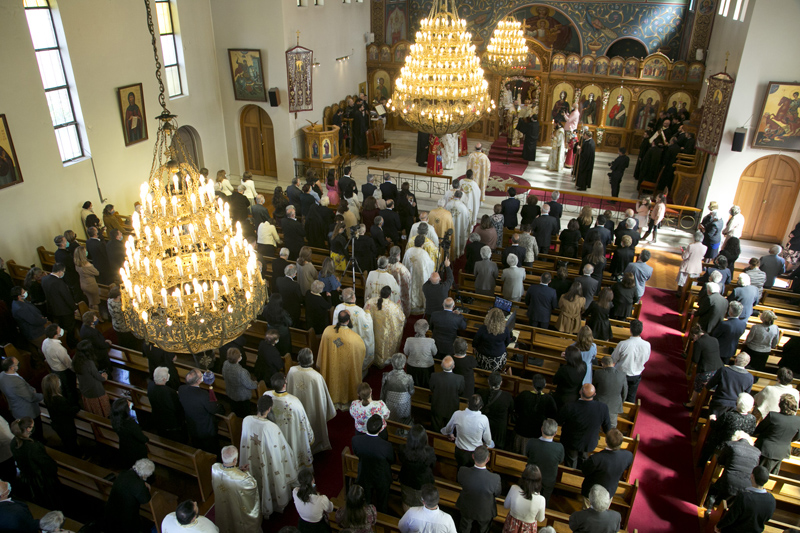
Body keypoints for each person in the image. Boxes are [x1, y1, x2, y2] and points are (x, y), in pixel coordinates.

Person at [240, 395, 299, 518]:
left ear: (257, 406)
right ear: (269, 409)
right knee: (268, 477)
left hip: (251, 458)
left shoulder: (246, 420)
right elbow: (282, 449)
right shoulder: (271, 427)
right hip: (266, 461)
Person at [287, 348, 336, 454]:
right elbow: (323, 397)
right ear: (311, 361)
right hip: (312, 408)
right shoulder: (316, 376)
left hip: (296, 408)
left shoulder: (292, 371)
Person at [318, 311, 367, 409]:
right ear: (348, 321)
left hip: (332, 366)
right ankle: (346, 400)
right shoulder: (355, 338)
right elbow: (362, 351)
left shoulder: (327, 331)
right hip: (346, 368)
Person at [266, 372, 315, 467]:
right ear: (285, 385)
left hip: (274, 433)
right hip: (291, 433)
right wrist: (309, 435)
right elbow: (303, 421)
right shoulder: (294, 401)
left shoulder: (266, 395)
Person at [9, 417, 60, 509]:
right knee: (52, 501)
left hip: (27, 478)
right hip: (41, 480)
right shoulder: (33, 447)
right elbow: (47, 465)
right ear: (28, 429)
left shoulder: (13, 442)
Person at [705, 430, 762, 511]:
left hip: (729, 480)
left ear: (735, 439)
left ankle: (710, 504)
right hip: (746, 485)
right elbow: (755, 468)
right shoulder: (757, 452)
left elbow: (721, 461)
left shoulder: (730, 445)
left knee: (715, 487)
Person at [559, 384, 611, 468]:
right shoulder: (602, 408)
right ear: (594, 394)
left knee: (571, 461)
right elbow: (607, 428)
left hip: (571, 441)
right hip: (589, 441)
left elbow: (559, 420)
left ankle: (570, 476)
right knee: (584, 460)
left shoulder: (570, 406)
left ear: (580, 392)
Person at [351, 414, 394, 512]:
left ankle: (367, 515)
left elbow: (357, 453)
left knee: (366, 499)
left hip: (364, 474)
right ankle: (382, 516)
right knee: (382, 501)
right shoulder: (386, 446)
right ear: (380, 430)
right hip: (381, 477)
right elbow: (392, 460)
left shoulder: (356, 440)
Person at [456, 445, 502, 533]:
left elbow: (461, 483)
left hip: (467, 507)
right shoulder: (495, 478)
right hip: (485, 510)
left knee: (464, 528)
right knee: (483, 529)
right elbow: (497, 493)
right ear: (487, 459)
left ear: (473, 456)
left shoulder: (463, 471)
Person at [580, 428, 633, 503]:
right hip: (609, 492)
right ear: (621, 443)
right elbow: (626, 467)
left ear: (606, 441)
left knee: (588, 513)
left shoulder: (596, 458)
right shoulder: (628, 455)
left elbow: (585, 471)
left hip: (591, 492)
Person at [179, 368, 223, 455]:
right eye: (201, 376)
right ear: (199, 381)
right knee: (212, 450)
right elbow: (213, 409)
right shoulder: (202, 395)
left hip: (192, 426)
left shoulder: (181, 389)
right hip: (206, 429)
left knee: (198, 448)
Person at [104, 459, 154, 533]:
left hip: (111, 509)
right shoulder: (139, 485)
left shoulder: (123, 473)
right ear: (145, 475)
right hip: (126, 517)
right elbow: (145, 499)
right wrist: (146, 488)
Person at [753, 393, 800, 473]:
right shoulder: (798, 421)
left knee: (757, 474)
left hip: (764, 449)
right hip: (781, 452)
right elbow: (797, 437)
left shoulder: (772, 416)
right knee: (772, 476)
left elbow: (758, 430)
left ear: (780, 405)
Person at [332, 290, 374, 374]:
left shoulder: (338, 307)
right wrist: (368, 312)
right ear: (353, 297)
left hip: (340, 340)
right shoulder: (360, 311)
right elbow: (367, 324)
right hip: (354, 343)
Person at [513, 374, 557, 454]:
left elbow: (516, 408)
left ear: (532, 384)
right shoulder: (549, 399)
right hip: (537, 434)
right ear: (545, 385)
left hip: (522, 431)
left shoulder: (524, 395)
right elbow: (553, 415)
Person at [611, 320, 650, 402]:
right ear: (641, 330)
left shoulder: (623, 344)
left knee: (616, 394)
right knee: (631, 397)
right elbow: (646, 359)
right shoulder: (647, 345)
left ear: (630, 330)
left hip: (621, 373)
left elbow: (614, 359)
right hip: (636, 374)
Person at [684, 325, 723, 409]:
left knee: (698, 384)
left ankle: (692, 403)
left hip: (706, 371)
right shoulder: (714, 339)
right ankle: (705, 402)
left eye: (693, 338)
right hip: (719, 369)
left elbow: (695, 359)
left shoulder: (698, 342)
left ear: (695, 335)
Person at [706, 353, 754, 418]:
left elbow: (710, 385)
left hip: (720, 402)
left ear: (735, 360)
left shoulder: (724, 370)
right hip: (735, 406)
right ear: (747, 363)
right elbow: (746, 395)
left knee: (713, 421)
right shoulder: (750, 377)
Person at [41, 263, 77, 348]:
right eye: (63, 271)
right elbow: (67, 297)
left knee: (60, 327)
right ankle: (72, 344)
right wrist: (74, 308)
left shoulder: (44, 279)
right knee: (69, 328)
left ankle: (63, 341)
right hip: (64, 310)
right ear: (60, 272)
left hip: (52, 309)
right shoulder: (59, 283)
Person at [41, 373, 79, 453]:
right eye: (58, 381)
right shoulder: (59, 400)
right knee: (71, 442)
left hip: (57, 424)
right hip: (66, 426)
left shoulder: (47, 397)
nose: (59, 381)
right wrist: (76, 408)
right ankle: (76, 455)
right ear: (55, 385)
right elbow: (69, 412)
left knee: (66, 441)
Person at [148, 366, 186, 442]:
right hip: (171, 423)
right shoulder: (169, 392)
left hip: (158, 419)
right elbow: (176, 408)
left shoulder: (150, 386)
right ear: (164, 379)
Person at [479, 372, 515, 451]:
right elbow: (512, 410)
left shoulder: (481, 392)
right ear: (501, 383)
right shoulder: (507, 396)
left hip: (484, 426)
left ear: (488, 381)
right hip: (499, 429)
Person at [111, 397, 149, 467]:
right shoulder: (130, 424)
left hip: (124, 447)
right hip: (136, 450)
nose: (130, 403)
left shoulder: (115, 420)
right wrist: (146, 439)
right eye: (128, 403)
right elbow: (141, 437)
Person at [293, 467, 333, 533]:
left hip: (302, 524)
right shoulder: (322, 499)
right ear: (313, 480)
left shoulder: (295, 492)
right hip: (318, 527)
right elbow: (330, 509)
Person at [222, 348, 258, 419]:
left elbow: (224, 375)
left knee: (234, 410)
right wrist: (256, 384)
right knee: (244, 414)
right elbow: (249, 385)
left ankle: (235, 419)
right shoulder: (241, 372)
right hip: (242, 396)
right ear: (238, 359)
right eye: (240, 355)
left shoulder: (225, 363)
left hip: (230, 392)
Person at [381, 353, 415, 427]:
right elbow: (412, 392)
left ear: (392, 364)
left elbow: (383, 392)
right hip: (404, 403)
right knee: (403, 421)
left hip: (390, 402)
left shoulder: (386, 376)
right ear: (403, 365)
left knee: (390, 420)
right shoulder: (408, 378)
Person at [473, 308, 512, 372]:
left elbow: (475, 342)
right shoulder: (505, 330)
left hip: (483, 357)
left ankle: (482, 371)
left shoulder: (483, 329)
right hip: (498, 358)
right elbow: (507, 343)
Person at [10, 286, 48, 351]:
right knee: (45, 348)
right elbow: (33, 321)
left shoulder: (21, 301)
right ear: (19, 296)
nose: (26, 292)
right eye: (23, 292)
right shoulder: (20, 308)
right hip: (35, 333)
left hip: (36, 329)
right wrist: (44, 320)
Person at [404, 319, 438, 387]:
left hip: (412, 367)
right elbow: (435, 353)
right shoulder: (431, 341)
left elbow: (406, 352)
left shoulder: (409, 340)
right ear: (427, 328)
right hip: (426, 369)